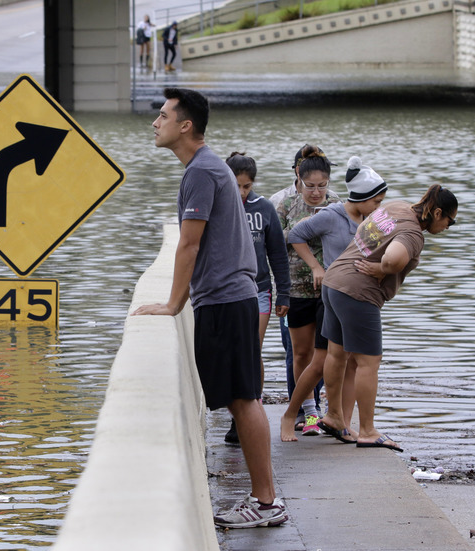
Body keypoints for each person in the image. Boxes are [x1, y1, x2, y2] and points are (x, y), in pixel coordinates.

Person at [133, 88, 286, 528]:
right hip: (231, 297)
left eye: (162, 116)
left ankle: (266, 503)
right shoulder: (209, 167)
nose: (155, 122)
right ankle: (265, 500)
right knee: (243, 399)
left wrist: (172, 303)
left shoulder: (202, 170)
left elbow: (190, 243)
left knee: (244, 400)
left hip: (224, 298)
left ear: (185, 125)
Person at [317, 185, 458, 452]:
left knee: (337, 354)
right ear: (437, 212)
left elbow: (363, 229)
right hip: (358, 292)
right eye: (449, 221)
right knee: (368, 362)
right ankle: (368, 431)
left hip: (334, 281)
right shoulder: (413, 233)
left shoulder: (396, 206)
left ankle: (334, 417)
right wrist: (381, 268)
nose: (448, 227)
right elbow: (394, 259)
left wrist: (373, 259)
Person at [279, 156, 388, 442]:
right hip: (331, 295)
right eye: (376, 202)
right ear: (362, 197)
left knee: (353, 362)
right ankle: (292, 414)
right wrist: (317, 267)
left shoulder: (371, 222)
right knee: (320, 361)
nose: (380, 208)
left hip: (357, 299)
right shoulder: (332, 214)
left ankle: (341, 421)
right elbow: (295, 235)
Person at [223, 153, 290, 445]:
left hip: (259, 289)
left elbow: (277, 253)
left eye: (247, 186)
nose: (241, 192)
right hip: (224, 291)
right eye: (236, 185)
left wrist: (284, 292)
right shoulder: (217, 207)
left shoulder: (263, 209)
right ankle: (236, 411)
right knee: (231, 352)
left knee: (251, 350)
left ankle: (250, 412)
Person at [270, 147, 339, 431]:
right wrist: (306, 229)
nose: (316, 192)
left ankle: (320, 408)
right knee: (299, 353)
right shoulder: (285, 203)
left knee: (324, 353)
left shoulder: (336, 204)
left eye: (322, 186)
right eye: (310, 186)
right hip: (295, 289)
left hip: (328, 290)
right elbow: (272, 240)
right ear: (298, 178)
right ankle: (305, 410)